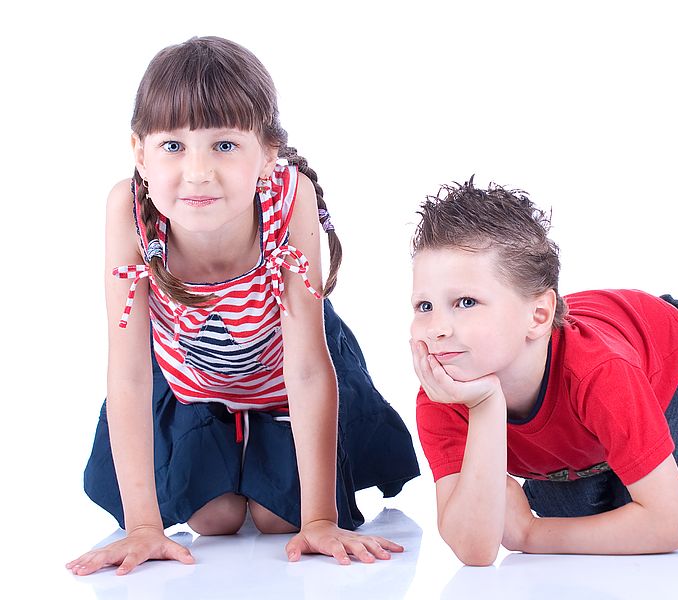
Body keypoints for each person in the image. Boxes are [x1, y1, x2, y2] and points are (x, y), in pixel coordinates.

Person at [67, 36, 419, 576]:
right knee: (214, 519)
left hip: (283, 375)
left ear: (267, 154)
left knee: (283, 519)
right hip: (191, 379)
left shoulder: (288, 197)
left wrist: (320, 519)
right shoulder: (128, 213)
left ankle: (271, 457)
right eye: (173, 146)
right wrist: (144, 526)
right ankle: (225, 448)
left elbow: (305, 367)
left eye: (225, 145)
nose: (199, 171)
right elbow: (131, 374)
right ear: (139, 152)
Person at [409, 179, 678, 565]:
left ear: (538, 316)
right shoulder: (444, 392)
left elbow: (668, 525)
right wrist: (486, 406)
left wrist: (532, 535)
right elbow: (474, 549)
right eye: (424, 306)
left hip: (671, 359)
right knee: (580, 511)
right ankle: (615, 457)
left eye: (466, 302)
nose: (437, 328)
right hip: (583, 426)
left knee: (632, 502)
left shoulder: (599, 373)